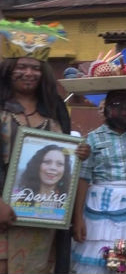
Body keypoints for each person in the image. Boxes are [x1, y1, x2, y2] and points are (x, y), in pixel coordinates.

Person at [0, 20, 90, 274]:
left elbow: (64, 154)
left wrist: (79, 153)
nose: (29, 73)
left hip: (42, 215)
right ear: (8, 70)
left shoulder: (55, 108)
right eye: (21, 67)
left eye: (35, 68)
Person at [71, 89, 126, 274]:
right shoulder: (92, 139)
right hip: (101, 211)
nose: (124, 110)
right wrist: (78, 217)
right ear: (106, 109)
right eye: (117, 106)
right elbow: (83, 178)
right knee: (100, 263)